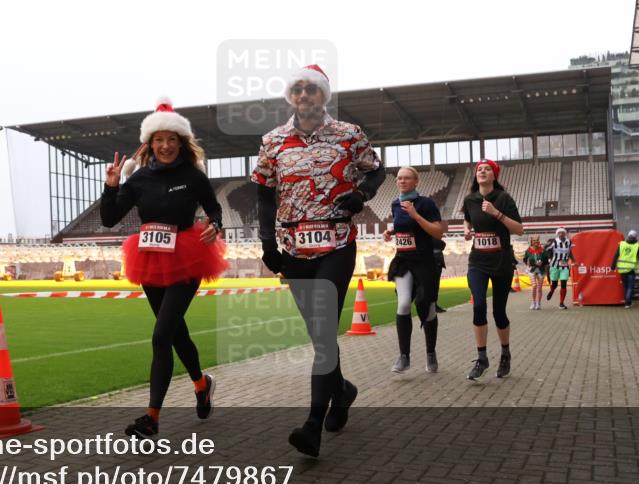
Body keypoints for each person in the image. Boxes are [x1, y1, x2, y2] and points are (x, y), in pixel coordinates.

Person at [253, 64, 384, 457]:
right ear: (290, 97)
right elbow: (262, 194)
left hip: (337, 243)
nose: (304, 96)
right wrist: (266, 243)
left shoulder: (349, 134)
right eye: (298, 90)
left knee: (325, 333)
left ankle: (312, 424)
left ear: (323, 95)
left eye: (312, 89)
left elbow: (377, 172)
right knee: (318, 335)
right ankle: (342, 391)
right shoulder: (273, 141)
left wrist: (362, 196)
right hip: (293, 249)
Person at [101, 97, 228, 439]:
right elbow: (110, 219)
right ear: (150, 143)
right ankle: (202, 385)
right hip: (150, 259)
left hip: (187, 257)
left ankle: (151, 417)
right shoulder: (139, 179)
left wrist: (215, 225)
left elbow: (215, 210)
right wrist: (111, 187)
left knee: (160, 336)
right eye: (159, 139)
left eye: (172, 139)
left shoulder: (192, 176)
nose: (166, 145)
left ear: (181, 142)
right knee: (175, 333)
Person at [461, 159, 524, 381]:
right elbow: (467, 220)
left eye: (487, 169)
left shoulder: (503, 198)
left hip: (501, 262)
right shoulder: (470, 199)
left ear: (494, 175)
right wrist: (467, 230)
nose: (482, 172)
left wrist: (497, 213)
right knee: (478, 305)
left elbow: (519, 229)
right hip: (478, 261)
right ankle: (482, 358)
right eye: (479, 169)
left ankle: (505, 354)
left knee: (499, 312)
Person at [382, 167, 445, 374]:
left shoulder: (426, 204)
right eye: (399, 178)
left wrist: (416, 215)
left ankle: (431, 352)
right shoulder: (394, 203)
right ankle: (404, 357)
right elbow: (403, 226)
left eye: (407, 178)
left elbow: (438, 231)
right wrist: (391, 231)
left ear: (416, 181)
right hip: (403, 260)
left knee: (426, 306)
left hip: (424, 261)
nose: (402, 181)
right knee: (403, 304)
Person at [612, 229, 639, 309]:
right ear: (635, 237)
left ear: (628, 235)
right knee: (630, 287)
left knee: (625, 287)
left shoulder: (622, 244)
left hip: (622, 270)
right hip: (631, 270)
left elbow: (615, 256)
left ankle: (627, 303)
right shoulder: (637, 246)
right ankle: (627, 303)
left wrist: (613, 266)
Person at [544, 227, 574, 310]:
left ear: (565, 234)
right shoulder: (554, 242)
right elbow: (545, 249)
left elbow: (570, 252)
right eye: (559, 233)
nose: (561, 234)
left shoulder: (569, 242)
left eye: (562, 233)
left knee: (564, 283)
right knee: (554, 284)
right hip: (554, 266)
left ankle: (561, 303)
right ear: (557, 234)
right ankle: (552, 291)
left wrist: (574, 260)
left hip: (564, 266)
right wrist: (548, 258)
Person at [522, 236, 546, 310]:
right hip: (532, 270)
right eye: (534, 240)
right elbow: (525, 259)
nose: (535, 242)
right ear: (531, 241)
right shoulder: (528, 251)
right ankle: (533, 302)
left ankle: (538, 303)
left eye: (537, 240)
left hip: (541, 270)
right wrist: (527, 263)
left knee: (539, 288)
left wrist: (542, 263)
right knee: (534, 286)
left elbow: (547, 260)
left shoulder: (542, 250)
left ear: (539, 241)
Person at [433, 238, 448, 313]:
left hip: (437, 262)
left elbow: (442, 244)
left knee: (435, 285)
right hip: (433, 262)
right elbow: (442, 244)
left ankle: (433, 304)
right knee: (434, 285)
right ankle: (432, 305)